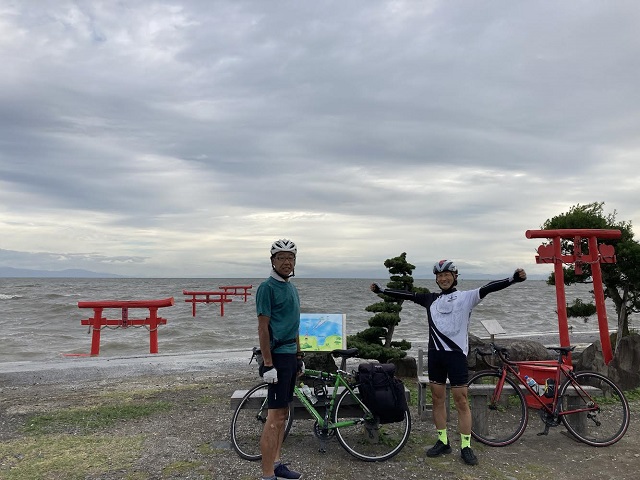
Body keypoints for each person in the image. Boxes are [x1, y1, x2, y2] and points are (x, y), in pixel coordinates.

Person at [371, 259, 526, 466]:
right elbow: (407, 295)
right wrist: (382, 290)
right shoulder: (430, 299)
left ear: (454, 277)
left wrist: (513, 279)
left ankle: (465, 446)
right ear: (436, 279)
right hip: (436, 355)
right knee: (437, 398)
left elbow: (489, 287)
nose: (443, 278)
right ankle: (442, 441)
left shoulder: (466, 298)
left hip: (456, 356)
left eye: (447, 275)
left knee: (461, 401)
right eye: (439, 276)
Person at [256, 239, 304, 480]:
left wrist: (299, 355)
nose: (287, 262)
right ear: (273, 261)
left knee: (283, 414)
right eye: (282, 258)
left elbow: (295, 324)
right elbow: (263, 329)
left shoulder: (291, 288)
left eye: (291, 258)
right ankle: (267, 474)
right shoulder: (267, 288)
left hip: (290, 356)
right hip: (276, 357)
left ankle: (276, 464)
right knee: (274, 418)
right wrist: (267, 363)